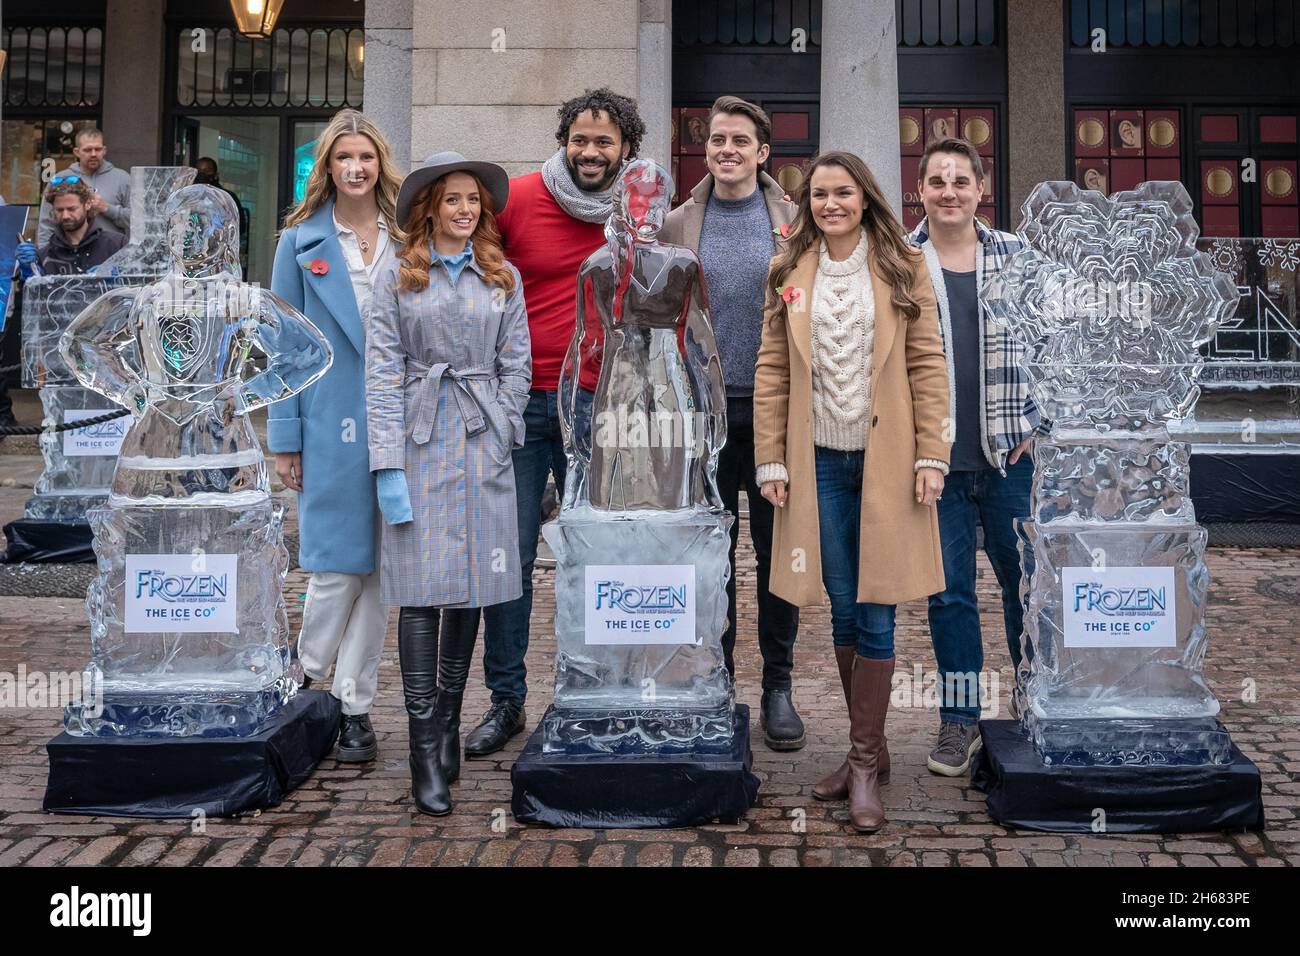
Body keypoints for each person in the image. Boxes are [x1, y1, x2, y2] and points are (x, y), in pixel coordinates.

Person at [754, 151, 950, 833]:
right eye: (818, 195)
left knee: (876, 609)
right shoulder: (789, 270)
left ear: (864, 198)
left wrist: (933, 452)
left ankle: (864, 764)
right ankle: (874, 750)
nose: (829, 204)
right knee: (839, 609)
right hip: (818, 465)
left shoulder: (902, 266)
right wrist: (771, 460)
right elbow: (773, 367)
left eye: (842, 193)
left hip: (889, 462)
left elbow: (928, 363)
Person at [457, 87, 646, 758]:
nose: (590, 152)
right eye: (580, 139)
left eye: (605, 142)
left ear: (627, 149)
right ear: (564, 139)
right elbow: (473, 279)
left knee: (601, 551)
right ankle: (506, 700)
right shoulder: (517, 198)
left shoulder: (640, 209)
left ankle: (598, 686)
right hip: (521, 401)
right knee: (509, 557)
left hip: (602, 404)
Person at [366, 152, 531, 815]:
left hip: (480, 439)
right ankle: (421, 747)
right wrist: (385, 464)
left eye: (474, 201)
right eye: (453, 199)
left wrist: (508, 425)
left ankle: (450, 729)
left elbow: (515, 362)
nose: (465, 210)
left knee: (469, 588)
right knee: (420, 592)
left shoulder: (503, 276)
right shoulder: (398, 277)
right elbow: (380, 371)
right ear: (429, 207)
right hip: (419, 438)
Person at [660, 95, 804, 751]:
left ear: (762, 152)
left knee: (778, 558)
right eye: (717, 140)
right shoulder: (677, 223)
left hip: (776, 413)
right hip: (704, 413)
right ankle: (717, 679)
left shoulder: (795, 223)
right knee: (712, 554)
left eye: (740, 141)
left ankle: (778, 686)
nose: (727, 150)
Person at [908, 137, 1045, 776]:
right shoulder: (900, 260)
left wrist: (1039, 420)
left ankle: (1033, 702)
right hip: (937, 463)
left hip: (1010, 461)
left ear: (980, 190)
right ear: (921, 190)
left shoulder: (1018, 256)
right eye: (938, 180)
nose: (949, 191)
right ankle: (958, 721)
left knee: (1026, 587)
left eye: (961, 180)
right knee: (950, 596)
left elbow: (1056, 343)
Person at [269, 109, 403, 763]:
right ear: (327, 168)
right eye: (343, 158)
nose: (356, 168)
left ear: (380, 165)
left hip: (400, 424)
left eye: (366, 157)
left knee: (381, 573)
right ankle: (303, 674)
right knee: (332, 567)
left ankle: (354, 707)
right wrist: (285, 435)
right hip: (328, 421)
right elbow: (281, 349)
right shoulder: (297, 243)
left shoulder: (409, 237)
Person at [36, 127, 131, 247]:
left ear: (104, 150)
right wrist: (45, 256)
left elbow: (138, 221)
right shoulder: (60, 179)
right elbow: (46, 223)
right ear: (76, 152)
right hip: (67, 254)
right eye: (87, 150)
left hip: (111, 253)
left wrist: (107, 208)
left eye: (97, 149)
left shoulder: (122, 178)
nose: (93, 154)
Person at [19, 179, 126, 277]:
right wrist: (28, 274)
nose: (65, 216)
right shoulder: (45, 256)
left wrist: (119, 278)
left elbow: (136, 288)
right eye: (59, 210)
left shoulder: (116, 245)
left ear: (88, 204)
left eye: (72, 209)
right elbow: (33, 295)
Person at [194, 157, 251, 267]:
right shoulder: (190, 199)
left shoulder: (227, 198)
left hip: (221, 258)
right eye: (199, 172)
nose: (203, 175)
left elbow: (240, 228)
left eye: (207, 171)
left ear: (216, 174)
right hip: (195, 257)